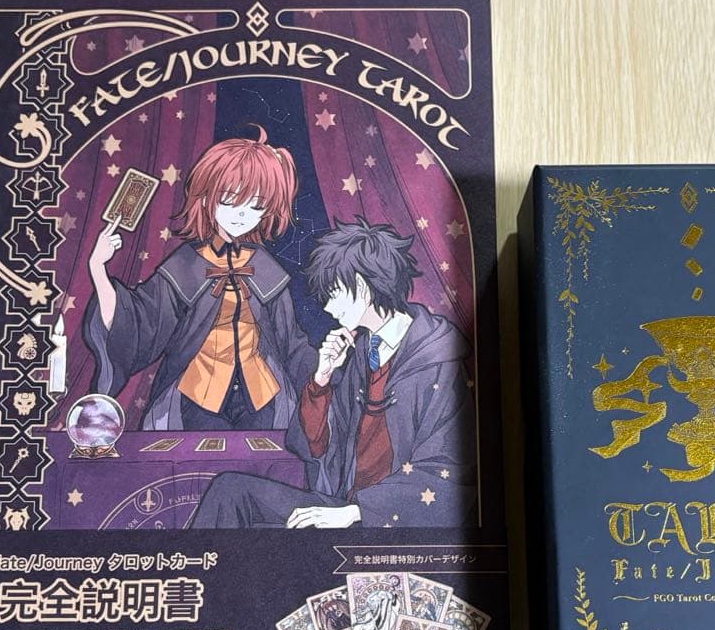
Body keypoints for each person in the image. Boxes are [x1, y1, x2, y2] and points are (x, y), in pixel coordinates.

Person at [188, 216, 477, 528]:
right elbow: (314, 448)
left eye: (334, 293)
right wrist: (321, 380)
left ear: (362, 287)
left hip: (388, 521)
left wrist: (357, 512)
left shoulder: (438, 362)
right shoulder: (362, 352)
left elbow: (447, 475)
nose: (328, 308)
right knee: (230, 490)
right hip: (343, 505)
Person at [83, 125, 313, 430]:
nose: (242, 214)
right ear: (206, 198)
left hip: (262, 398)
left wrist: (328, 376)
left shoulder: (266, 267)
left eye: (256, 204)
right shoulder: (185, 265)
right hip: (197, 398)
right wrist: (97, 268)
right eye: (230, 200)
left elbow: (291, 344)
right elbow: (136, 324)